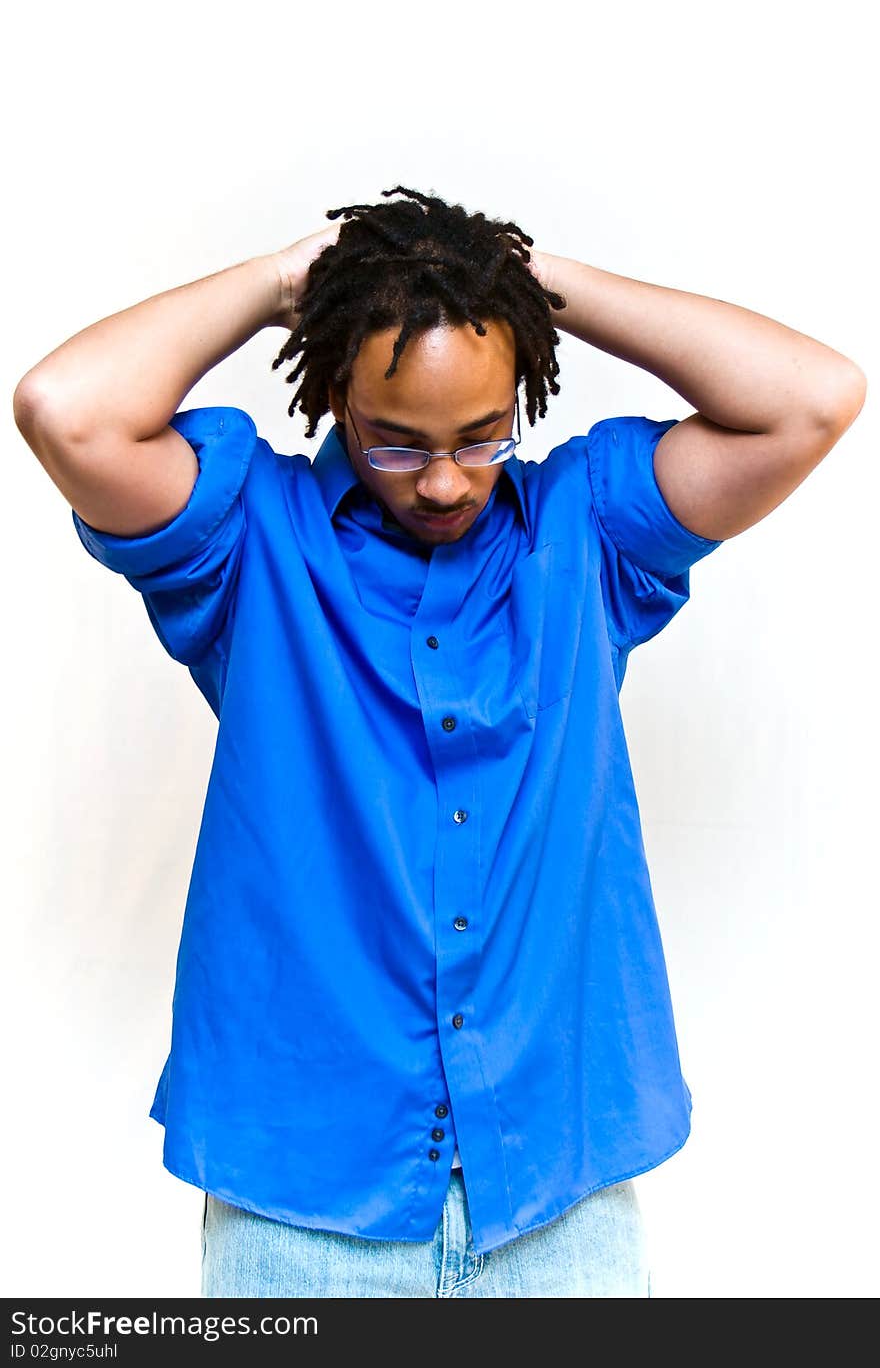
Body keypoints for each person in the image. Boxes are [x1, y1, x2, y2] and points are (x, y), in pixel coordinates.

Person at [13, 186, 866, 1299]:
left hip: (558, 1198)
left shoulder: (590, 532)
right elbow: (63, 407)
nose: (449, 480)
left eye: (481, 433)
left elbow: (812, 398)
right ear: (332, 397)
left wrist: (514, 284)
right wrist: (284, 280)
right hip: (303, 1210)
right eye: (397, 445)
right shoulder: (248, 542)